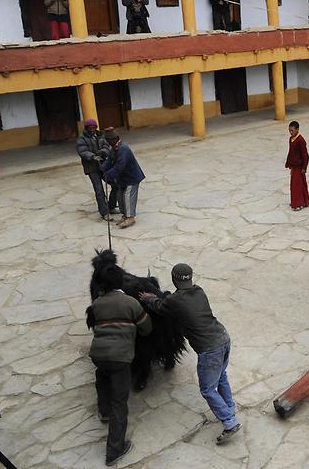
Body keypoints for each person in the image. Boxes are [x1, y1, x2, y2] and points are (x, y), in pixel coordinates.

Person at [139, 265, 241, 445]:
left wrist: (148, 298)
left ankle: (229, 421)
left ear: (173, 278)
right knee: (221, 376)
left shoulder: (174, 300)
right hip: (223, 338)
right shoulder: (199, 291)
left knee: (207, 389)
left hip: (209, 349)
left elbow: (159, 306)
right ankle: (230, 408)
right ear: (191, 278)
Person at [89, 262, 151, 466]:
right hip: (120, 357)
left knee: (102, 378)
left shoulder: (97, 303)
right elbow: (146, 328)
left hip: (98, 354)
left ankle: (103, 411)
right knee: (120, 402)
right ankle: (115, 450)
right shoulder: (131, 302)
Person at [100, 129, 144, 229]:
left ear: (116, 139)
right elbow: (109, 160)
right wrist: (102, 168)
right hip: (123, 178)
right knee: (120, 196)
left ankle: (130, 217)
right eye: (107, 140)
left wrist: (108, 174)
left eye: (109, 140)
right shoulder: (113, 148)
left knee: (128, 196)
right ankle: (125, 215)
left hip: (132, 177)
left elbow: (120, 166)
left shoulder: (123, 149)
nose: (108, 142)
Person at [76, 118, 118, 219]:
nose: (92, 130)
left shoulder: (101, 135)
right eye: (90, 128)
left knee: (115, 184)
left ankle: (111, 206)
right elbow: (82, 151)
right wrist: (92, 156)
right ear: (86, 128)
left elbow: (106, 146)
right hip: (92, 168)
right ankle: (104, 212)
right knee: (99, 190)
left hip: (103, 165)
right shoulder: (82, 138)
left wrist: (103, 152)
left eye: (94, 127)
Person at [285, 120, 309, 211]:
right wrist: (288, 162)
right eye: (289, 130)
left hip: (299, 166)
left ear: (297, 129)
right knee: (294, 184)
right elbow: (291, 152)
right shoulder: (291, 139)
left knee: (298, 185)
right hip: (294, 165)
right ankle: (298, 201)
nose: (290, 132)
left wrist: (304, 167)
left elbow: (305, 155)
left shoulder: (301, 140)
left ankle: (299, 204)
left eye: (292, 130)